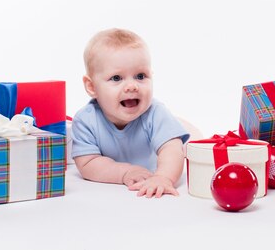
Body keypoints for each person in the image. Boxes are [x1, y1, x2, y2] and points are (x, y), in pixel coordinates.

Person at [72, 28, 190, 198]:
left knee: (180, 140)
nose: (132, 86)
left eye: (140, 76)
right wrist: (124, 172)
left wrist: (163, 177)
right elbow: (88, 163)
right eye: (117, 78)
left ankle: (185, 128)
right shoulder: (85, 120)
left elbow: (172, 150)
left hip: (167, 151)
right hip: (122, 183)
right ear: (91, 87)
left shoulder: (155, 112)